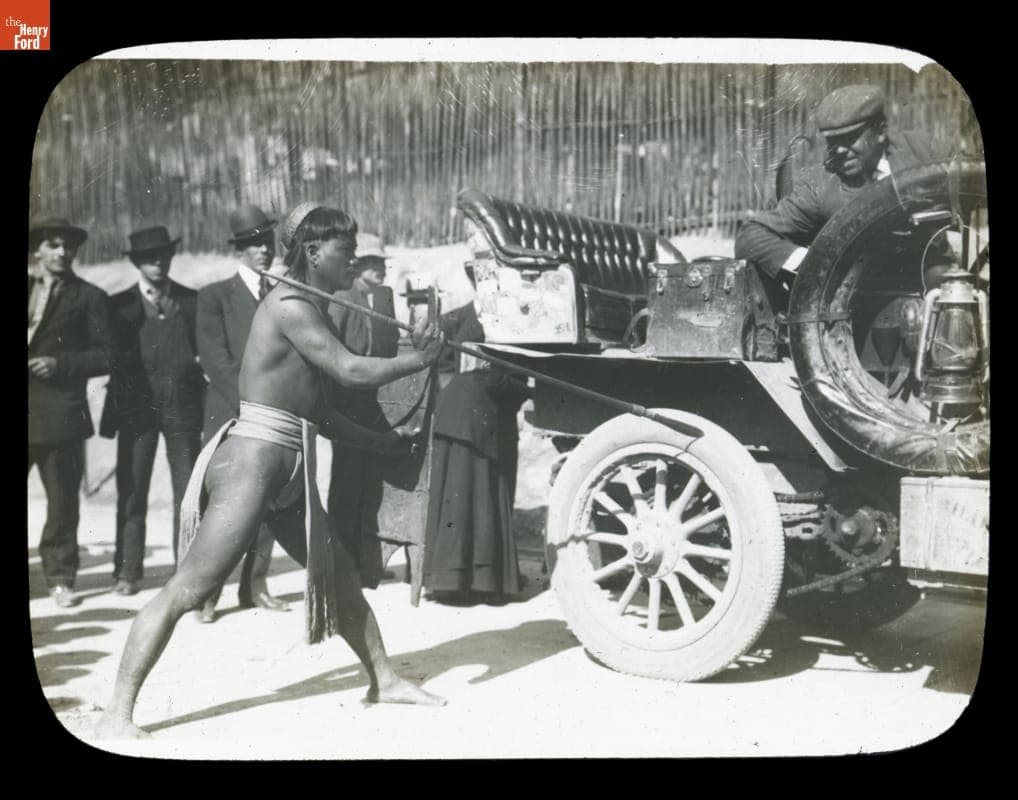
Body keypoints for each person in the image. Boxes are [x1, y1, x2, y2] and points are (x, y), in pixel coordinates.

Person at [95, 204, 446, 740]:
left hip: (289, 465)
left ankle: (384, 680)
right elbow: (348, 370)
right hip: (252, 463)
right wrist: (418, 360)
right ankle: (116, 714)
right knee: (189, 588)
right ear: (312, 252)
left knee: (341, 578)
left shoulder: (313, 308)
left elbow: (321, 412)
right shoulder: (288, 305)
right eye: (343, 250)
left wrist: (383, 442)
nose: (352, 258)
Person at [735, 84, 948, 301]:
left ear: (881, 131)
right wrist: (813, 266)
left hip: (936, 293)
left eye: (850, 138)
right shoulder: (821, 185)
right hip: (865, 303)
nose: (839, 150)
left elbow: (974, 182)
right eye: (832, 141)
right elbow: (751, 235)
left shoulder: (924, 151)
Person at [193, 205, 289, 622]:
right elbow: (216, 362)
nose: (262, 251)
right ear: (239, 251)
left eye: (266, 243)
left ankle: (256, 585)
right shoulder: (214, 297)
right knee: (224, 506)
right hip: (232, 415)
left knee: (269, 500)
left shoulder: (283, 293)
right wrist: (255, 405)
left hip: (274, 416)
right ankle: (206, 593)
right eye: (252, 245)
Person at [99, 226, 204, 596]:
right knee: (132, 491)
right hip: (136, 412)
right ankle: (128, 573)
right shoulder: (118, 305)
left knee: (187, 494)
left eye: (163, 255)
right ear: (137, 263)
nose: (158, 262)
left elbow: (204, 351)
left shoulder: (192, 300)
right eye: (149, 257)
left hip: (184, 410)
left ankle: (186, 575)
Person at [28, 217, 114, 608]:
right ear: (38, 251)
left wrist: (61, 364)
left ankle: (61, 577)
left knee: (63, 502)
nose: (62, 252)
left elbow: (108, 354)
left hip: (60, 414)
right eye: (54, 245)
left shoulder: (90, 297)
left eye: (68, 246)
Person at [422, 297, 530, 603]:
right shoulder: (496, 317)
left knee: (471, 496)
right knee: (475, 495)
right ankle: (471, 581)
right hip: (475, 416)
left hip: (470, 414)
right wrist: (530, 391)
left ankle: (469, 580)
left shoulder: (470, 315)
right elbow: (501, 378)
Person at [326, 233, 401, 589]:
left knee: (369, 484)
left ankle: (365, 561)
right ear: (358, 266)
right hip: (348, 402)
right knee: (346, 485)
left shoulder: (380, 299)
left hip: (372, 401)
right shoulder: (342, 298)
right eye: (375, 263)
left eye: (383, 263)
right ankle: (342, 562)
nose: (382, 269)